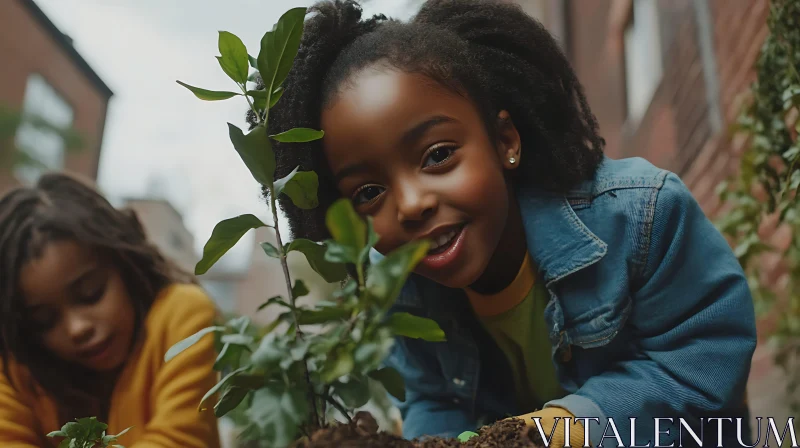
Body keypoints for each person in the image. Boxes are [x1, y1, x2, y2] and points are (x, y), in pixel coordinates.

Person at [255, 0, 758, 446]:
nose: (410, 205)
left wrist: (564, 428)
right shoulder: (400, 291)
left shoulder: (641, 217)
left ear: (505, 141)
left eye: (437, 155)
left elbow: (702, 360)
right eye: (369, 192)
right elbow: (433, 401)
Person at [0, 173, 221, 448]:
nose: (77, 328)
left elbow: (180, 440)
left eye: (91, 293)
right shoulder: (17, 365)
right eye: (44, 320)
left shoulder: (182, 314)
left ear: (124, 263)